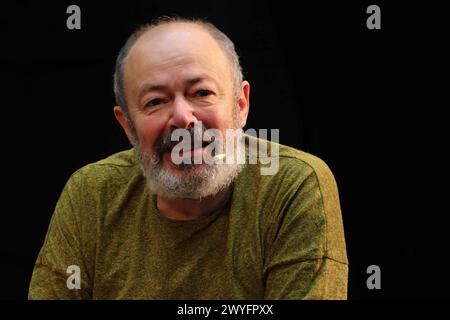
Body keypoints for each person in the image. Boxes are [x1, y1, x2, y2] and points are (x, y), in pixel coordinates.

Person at [28, 16, 348, 299]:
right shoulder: (90, 193)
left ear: (240, 105)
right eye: (155, 101)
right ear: (128, 126)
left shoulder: (293, 185)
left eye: (202, 93)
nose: (182, 118)